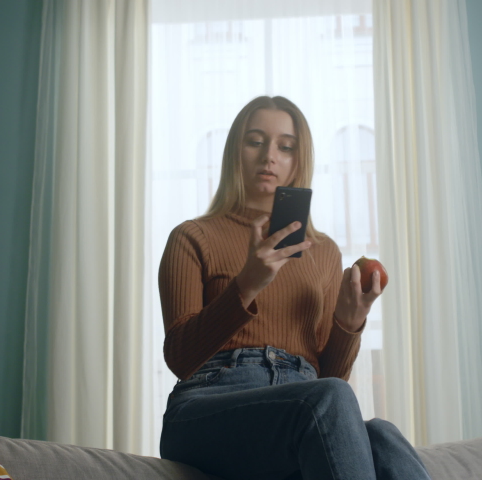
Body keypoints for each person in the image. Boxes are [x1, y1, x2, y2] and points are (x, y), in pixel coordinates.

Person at [158, 95, 430, 480]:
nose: (269, 155)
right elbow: (180, 357)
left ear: (298, 162)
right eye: (255, 141)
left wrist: (349, 323)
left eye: (285, 147)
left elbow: (326, 380)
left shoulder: (323, 252)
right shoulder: (193, 237)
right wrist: (247, 284)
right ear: (235, 151)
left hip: (300, 404)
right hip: (208, 406)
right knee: (328, 399)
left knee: (383, 436)